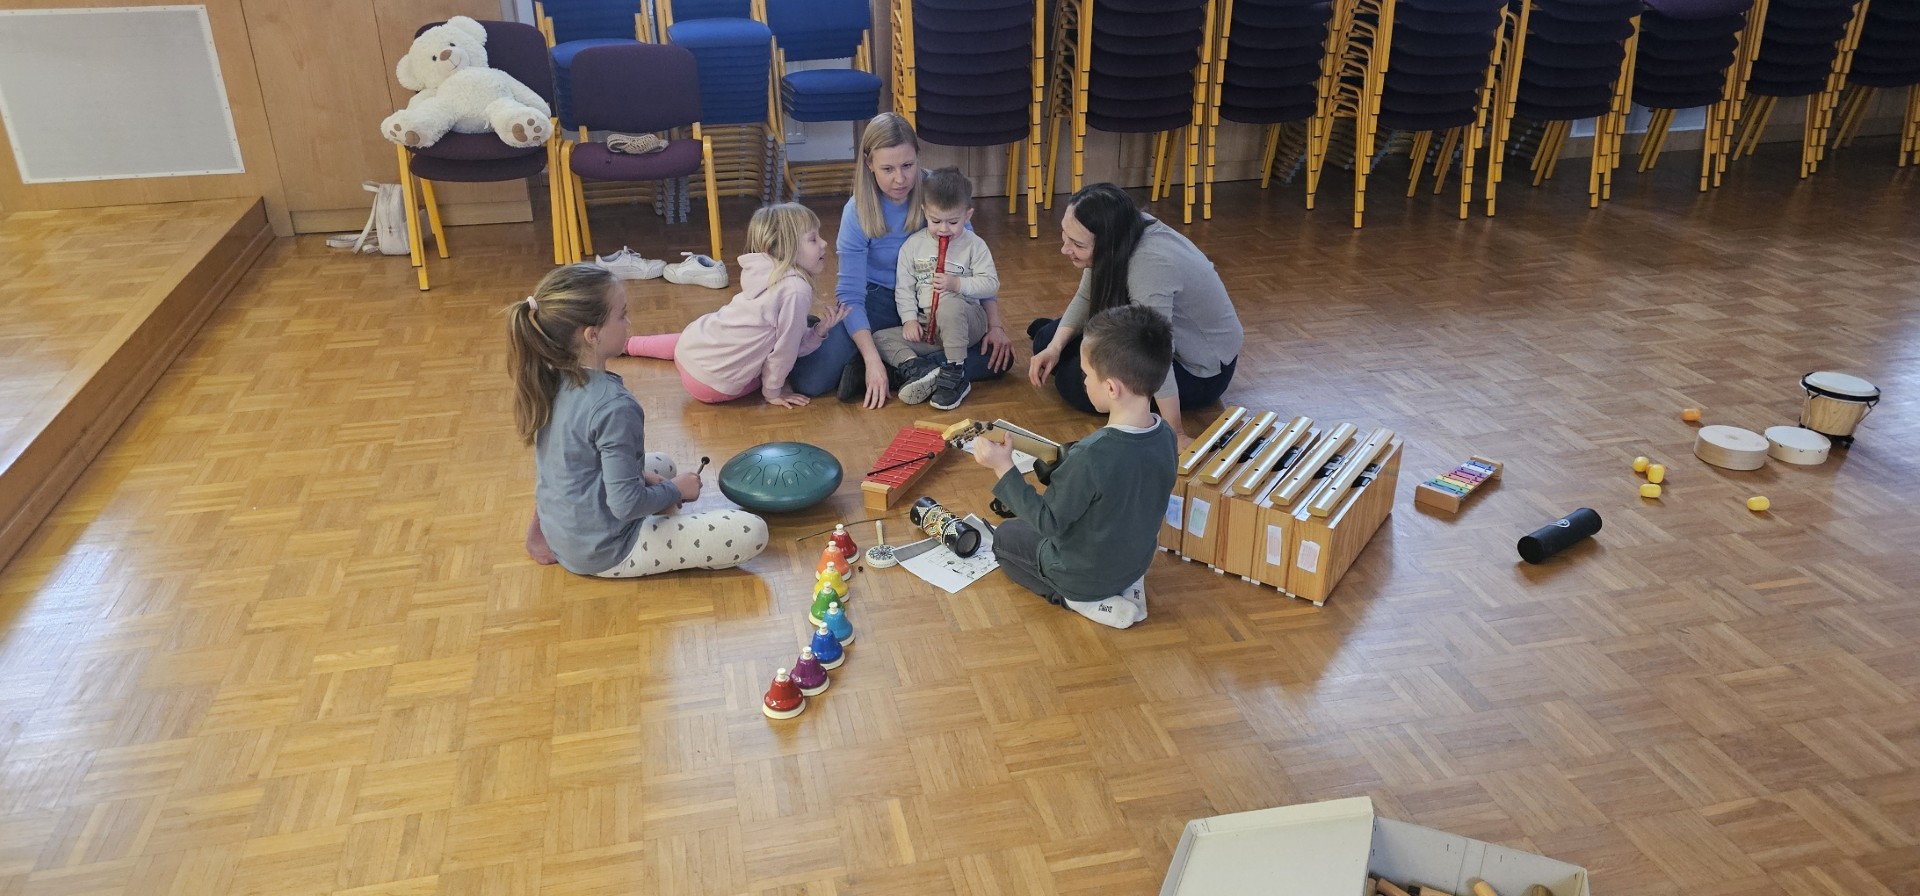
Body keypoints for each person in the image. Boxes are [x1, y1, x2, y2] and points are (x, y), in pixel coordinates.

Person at [509, 263, 769, 577]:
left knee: (662, 464)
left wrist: (651, 480)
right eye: (622, 315)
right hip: (607, 550)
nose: (629, 322)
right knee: (751, 531)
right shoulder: (614, 406)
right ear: (592, 335)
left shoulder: (549, 377)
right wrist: (676, 491)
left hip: (565, 531)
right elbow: (626, 506)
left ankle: (582, 526)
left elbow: (564, 467)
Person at [785, 113, 1015, 408]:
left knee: (997, 360)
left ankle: (904, 370)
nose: (900, 179)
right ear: (869, 164)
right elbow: (851, 294)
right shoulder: (857, 211)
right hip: (877, 301)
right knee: (810, 381)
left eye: (908, 165)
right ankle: (894, 363)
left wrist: (995, 325)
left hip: (934, 300)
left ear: (918, 157)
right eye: (887, 168)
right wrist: (871, 359)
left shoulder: (940, 191)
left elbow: (973, 262)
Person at [971, 305, 1179, 629]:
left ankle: (1081, 600)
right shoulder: (1166, 435)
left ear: (1111, 388)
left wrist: (1003, 468)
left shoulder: (1091, 456)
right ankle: (1128, 584)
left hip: (1083, 575)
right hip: (1135, 561)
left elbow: (1048, 523)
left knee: (1005, 539)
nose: (1083, 381)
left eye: (1086, 374)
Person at [1028, 183, 1244, 447]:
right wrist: (1054, 347)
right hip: (1154, 340)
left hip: (1200, 371)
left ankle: (1071, 357)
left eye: (1077, 244)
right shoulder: (1125, 225)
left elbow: (1159, 352)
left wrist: (1175, 433)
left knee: (1073, 383)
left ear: (1107, 242)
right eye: (1064, 236)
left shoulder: (1150, 266)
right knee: (1046, 341)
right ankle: (1058, 343)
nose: (1065, 249)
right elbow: (1086, 296)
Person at [623, 203, 847, 408]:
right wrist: (773, 392)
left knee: (698, 335)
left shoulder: (763, 268)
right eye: (813, 239)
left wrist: (818, 330)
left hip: (688, 349)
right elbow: (786, 350)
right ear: (786, 248)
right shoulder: (797, 290)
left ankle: (628, 345)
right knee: (772, 367)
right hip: (710, 386)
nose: (824, 243)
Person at [876, 166, 999, 411]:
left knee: (948, 303)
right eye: (935, 221)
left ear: (968, 215)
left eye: (953, 222)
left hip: (967, 320)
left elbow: (991, 284)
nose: (944, 229)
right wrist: (910, 320)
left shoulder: (974, 245)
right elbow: (904, 288)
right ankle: (922, 370)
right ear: (924, 212)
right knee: (879, 338)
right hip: (927, 323)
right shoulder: (913, 245)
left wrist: (957, 284)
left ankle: (956, 374)